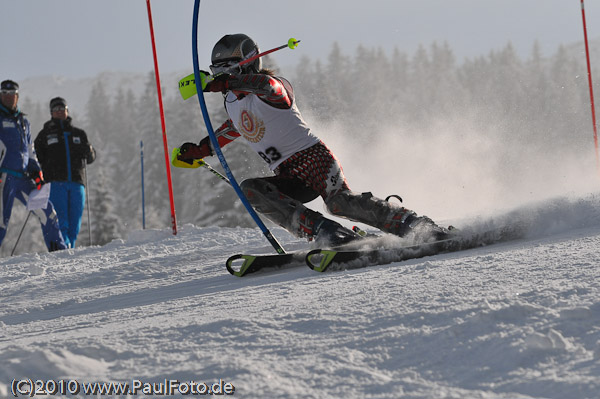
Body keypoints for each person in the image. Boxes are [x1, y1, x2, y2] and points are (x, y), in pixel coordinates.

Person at [175, 34, 450, 246]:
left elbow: (264, 86)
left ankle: (414, 224)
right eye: (217, 70)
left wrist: (222, 84)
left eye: (228, 69)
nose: (222, 75)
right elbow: (230, 130)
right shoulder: (233, 102)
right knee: (252, 189)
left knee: (339, 203)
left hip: (313, 159)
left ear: (246, 64)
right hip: (288, 174)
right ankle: (328, 233)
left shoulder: (272, 88)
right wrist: (200, 149)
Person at [0, 80, 67, 252]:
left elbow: (30, 151)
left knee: (48, 212)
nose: (9, 97)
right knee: (1, 222)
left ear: (17, 96)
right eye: (5, 94)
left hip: (23, 177)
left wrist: (37, 173)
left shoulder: (23, 121)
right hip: (3, 176)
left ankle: (59, 253)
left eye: (12, 94)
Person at [34, 97, 96, 248]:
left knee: (75, 223)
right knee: (61, 220)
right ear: (51, 113)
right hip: (55, 183)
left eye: (62, 109)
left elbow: (91, 157)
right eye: (56, 109)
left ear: (67, 111)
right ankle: (63, 251)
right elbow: (35, 157)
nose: (60, 112)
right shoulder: (45, 134)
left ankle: (70, 250)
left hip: (77, 182)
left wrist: (89, 151)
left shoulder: (79, 134)